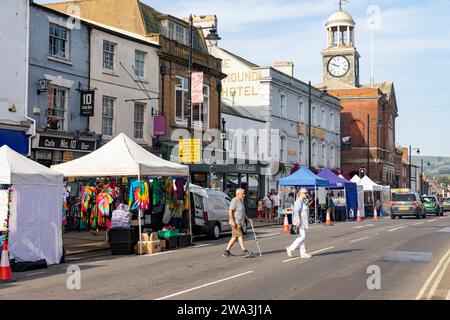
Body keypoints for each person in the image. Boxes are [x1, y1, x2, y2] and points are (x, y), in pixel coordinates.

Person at [223, 188, 254, 258]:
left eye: (244, 194)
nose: (244, 195)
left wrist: (248, 218)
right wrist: (233, 221)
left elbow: (242, 212)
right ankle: (244, 251)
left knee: (234, 237)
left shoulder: (241, 201)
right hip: (235, 222)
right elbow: (230, 211)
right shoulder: (234, 200)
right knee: (240, 236)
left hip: (240, 222)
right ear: (238, 194)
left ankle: (226, 251)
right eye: (242, 194)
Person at [286, 188, 312, 259]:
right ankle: (290, 248)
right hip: (300, 221)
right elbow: (296, 212)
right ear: (300, 193)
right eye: (305, 193)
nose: (306, 194)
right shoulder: (298, 201)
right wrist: (298, 221)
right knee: (302, 236)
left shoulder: (302, 201)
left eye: (306, 193)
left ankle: (303, 253)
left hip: (303, 221)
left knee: (302, 237)